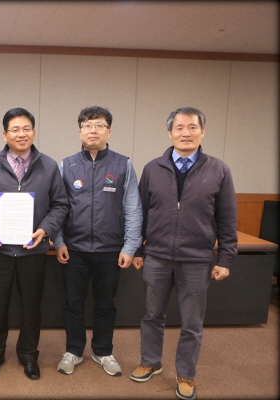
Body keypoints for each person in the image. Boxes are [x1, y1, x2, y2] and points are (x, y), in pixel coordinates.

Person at [130, 107, 237, 400]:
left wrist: (225, 258)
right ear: (170, 133)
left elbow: (227, 219)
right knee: (152, 315)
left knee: (192, 323)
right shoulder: (153, 168)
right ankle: (150, 362)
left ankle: (186, 374)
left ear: (202, 132)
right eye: (179, 127)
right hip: (157, 256)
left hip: (197, 260)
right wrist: (138, 249)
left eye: (192, 127)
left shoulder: (219, 170)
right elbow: (141, 213)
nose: (185, 133)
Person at [52, 106, 142, 377]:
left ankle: (102, 351)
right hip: (74, 249)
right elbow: (57, 207)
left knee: (105, 304)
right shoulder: (66, 165)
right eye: (88, 125)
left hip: (110, 250)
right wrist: (58, 241)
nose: (93, 130)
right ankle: (74, 350)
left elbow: (133, 208)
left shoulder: (123, 164)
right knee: (73, 303)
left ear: (108, 132)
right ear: (80, 131)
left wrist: (130, 246)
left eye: (99, 125)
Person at [0, 107, 69, 380]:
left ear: (34, 132)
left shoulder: (49, 166)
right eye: (15, 129)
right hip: (0, 251)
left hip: (34, 250)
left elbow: (60, 204)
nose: (21, 134)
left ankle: (28, 355)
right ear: (4, 134)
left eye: (26, 128)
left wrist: (45, 229)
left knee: (31, 308)